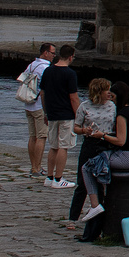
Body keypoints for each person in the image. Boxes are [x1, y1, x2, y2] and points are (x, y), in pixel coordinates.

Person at [73, 90, 129, 228]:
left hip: (123, 154)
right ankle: (98, 207)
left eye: (112, 95)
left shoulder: (120, 112)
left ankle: (95, 205)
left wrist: (102, 135)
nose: (110, 98)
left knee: (88, 167)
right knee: (99, 164)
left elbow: (120, 141)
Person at [64, 78, 115, 225]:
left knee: (102, 181)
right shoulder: (84, 107)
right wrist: (84, 130)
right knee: (82, 182)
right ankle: (73, 218)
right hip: (90, 144)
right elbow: (76, 127)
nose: (109, 93)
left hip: (105, 143)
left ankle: (101, 214)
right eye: (107, 90)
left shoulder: (112, 106)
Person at [38, 45, 82, 188]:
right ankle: (58, 179)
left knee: (53, 146)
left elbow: (43, 93)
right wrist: (79, 115)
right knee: (64, 146)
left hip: (52, 113)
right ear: (70, 57)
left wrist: (45, 112)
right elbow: (73, 97)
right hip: (66, 114)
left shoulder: (48, 71)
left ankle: (49, 177)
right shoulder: (70, 74)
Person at [19, 43, 55, 177]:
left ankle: (33, 166)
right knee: (41, 137)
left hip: (28, 104)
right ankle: (37, 168)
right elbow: (48, 89)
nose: (53, 56)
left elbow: (22, 79)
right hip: (40, 106)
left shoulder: (32, 65)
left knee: (32, 136)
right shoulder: (46, 68)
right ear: (45, 53)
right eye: (52, 53)